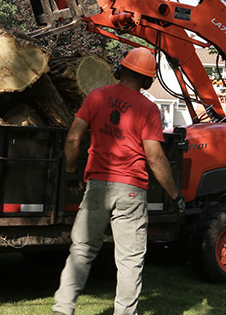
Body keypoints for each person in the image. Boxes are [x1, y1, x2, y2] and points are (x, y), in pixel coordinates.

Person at [52, 47, 183, 315]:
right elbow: (155, 157)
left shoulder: (97, 96)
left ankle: (63, 309)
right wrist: (175, 194)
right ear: (148, 81)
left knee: (82, 250)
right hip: (131, 192)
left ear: (120, 69)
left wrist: (69, 172)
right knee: (129, 260)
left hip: (98, 186)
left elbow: (73, 138)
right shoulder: (148, 109)